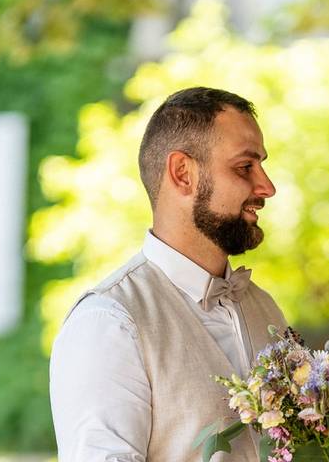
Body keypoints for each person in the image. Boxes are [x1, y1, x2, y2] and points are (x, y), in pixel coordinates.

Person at [50, 87, 288, 462]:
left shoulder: (266, 309)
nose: (267, 187)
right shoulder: (110, 323)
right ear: (183, 173)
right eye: (245, 167)